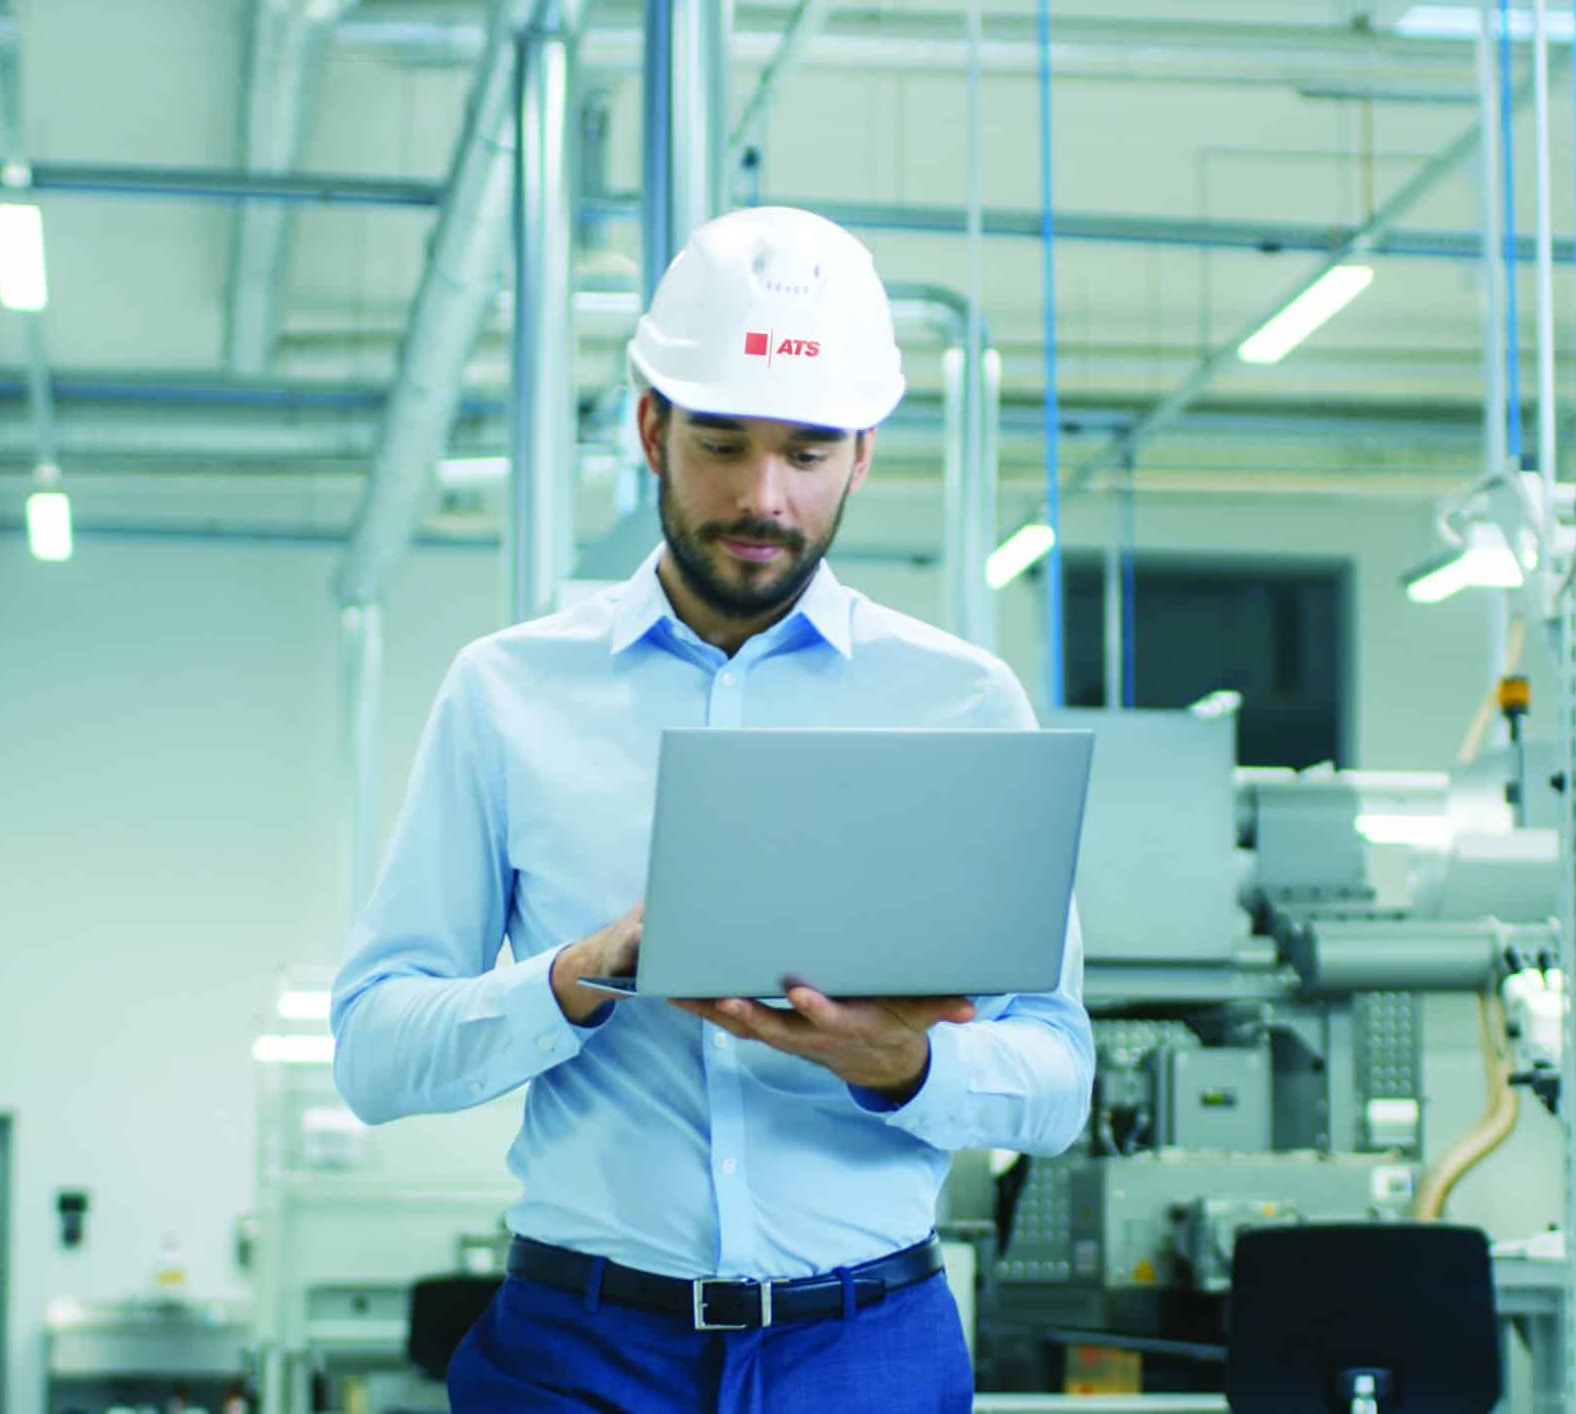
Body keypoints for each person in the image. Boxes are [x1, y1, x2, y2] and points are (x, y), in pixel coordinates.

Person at [330, 205, 1093, 1413]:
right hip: (580, 1348)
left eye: (806, 451)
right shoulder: (509, 691)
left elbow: (1055, 1076)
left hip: (864, 1349)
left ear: (862, 454)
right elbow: (374, 1051)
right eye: (723, 445)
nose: (763, 497)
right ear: (651, 428)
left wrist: (901, 1064)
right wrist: (577, 977)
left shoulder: (958, 701)